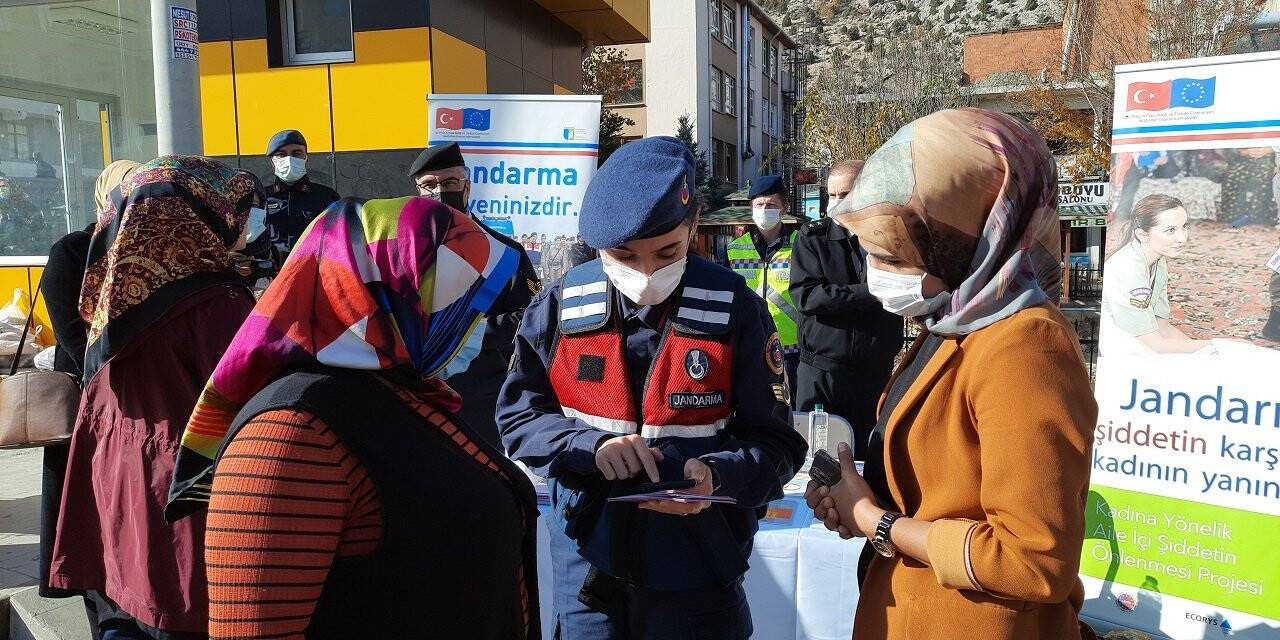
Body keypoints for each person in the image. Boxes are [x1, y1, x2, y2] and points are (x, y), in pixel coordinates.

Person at [163, 196, 540, 639]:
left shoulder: (400, 389)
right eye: (462, 308)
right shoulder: (288, 435)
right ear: (391, 296)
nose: (475, 327)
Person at [498, 136, 807, 639]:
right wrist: (589, 446)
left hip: (699, 570)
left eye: (667, 252)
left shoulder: (735, 309)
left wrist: (716, 476)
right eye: (624, 256)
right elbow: (519, 418)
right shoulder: (560, 305)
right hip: (588, 569)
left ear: (693, 225)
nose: (646, 275)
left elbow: (779, 446)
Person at [806, 109, 1098, 639]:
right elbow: (943, 490)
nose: (878, 274)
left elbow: (1034, 560)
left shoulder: (1024, 344)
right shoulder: (954, 318)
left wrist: (876, 521)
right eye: (871, 254)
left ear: (973, 239)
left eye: (897, 258)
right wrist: (857, 499)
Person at [48, 156, 260, 639]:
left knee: (126, 604)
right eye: (240, 210)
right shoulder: (216, 301)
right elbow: (251, 399)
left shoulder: (112, 289)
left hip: (115, 471)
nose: (246, 223)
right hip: (180, 486)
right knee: (173, 603)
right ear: (201, 214)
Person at [35, 159, 140, 602]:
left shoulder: (146, 246)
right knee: (73, 487)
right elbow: (69, 329)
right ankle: (69, 577)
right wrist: (104, 371)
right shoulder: (73, 249)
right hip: (83, 385)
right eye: (124, 192)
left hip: (129, 390)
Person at [409, 141, 540, 449]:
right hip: (416, 393)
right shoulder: (403, 251)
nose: (440, 191)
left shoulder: (504, 252)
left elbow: (530, 319)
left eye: (450, 182)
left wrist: (474, 333)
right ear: (418, 191)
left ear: (467, 186)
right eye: (429, 185)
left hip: (481, 394)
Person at [790, 160, 903, 459]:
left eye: (845, 194)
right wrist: (869, 293)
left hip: (873, 374)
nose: (837, 202)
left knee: (869, 460)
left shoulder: (888, 238)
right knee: (817, 461)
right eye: (832, 195)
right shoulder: (813, 238)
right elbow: (808, 296)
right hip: (823, 373)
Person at [1101, 194, 1209, 354]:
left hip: (1138, 342)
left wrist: (1206, 352)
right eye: (1171, 230)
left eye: (1184, 226)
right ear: (1142, 235)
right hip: (1113, 349)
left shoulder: (1159, 261)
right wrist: (1216, 345)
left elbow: (1162, 326)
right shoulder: (1128, 269)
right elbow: (1152, 344)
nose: (1182, 238)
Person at [726, 174, 802, 394]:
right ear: (751, 207)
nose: (764, 209)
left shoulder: (800, 245)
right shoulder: (735, 249)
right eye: (759, 204)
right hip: (750, 346)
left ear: (784, 208)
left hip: (792, 349)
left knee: (792, 409)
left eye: (771, 205)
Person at [263, 129, 340, 255]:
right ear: (272, 161)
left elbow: (338, 238)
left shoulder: (327, 196)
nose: (289, 159)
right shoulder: (261, 197)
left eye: (296, 153)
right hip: (274, 266)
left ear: (306, 158)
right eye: (281, 154)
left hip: (314, 264)